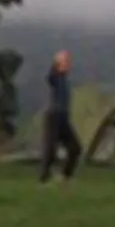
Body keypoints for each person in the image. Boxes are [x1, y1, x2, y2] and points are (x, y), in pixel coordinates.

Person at [39, 49, 82, 184]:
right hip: (53, 116)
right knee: (51, 149)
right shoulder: (56, 77)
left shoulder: (64, 79)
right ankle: (44, 180)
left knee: (75, 148)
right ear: (58, 64)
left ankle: (66, 176)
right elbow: (49, 78)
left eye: (69, 61)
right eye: (65, 61)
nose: (68, 64)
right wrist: (56, 63)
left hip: (64, 117)